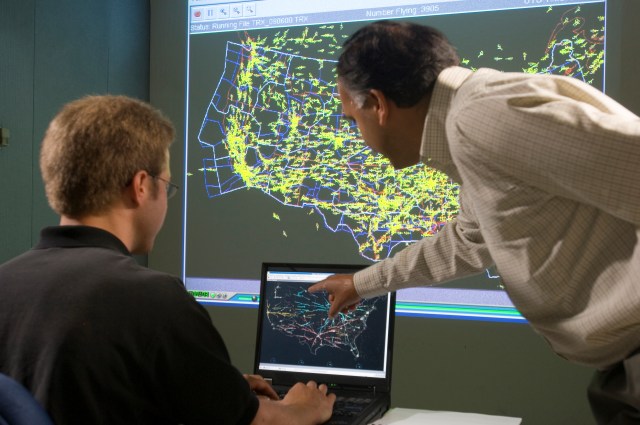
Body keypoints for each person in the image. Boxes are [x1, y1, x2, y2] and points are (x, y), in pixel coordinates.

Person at [308, 20, 640, 424]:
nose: (358, 135)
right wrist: (361, 284)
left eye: (351, 120)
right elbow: (469, 239)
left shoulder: (483, 117)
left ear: (378, 104)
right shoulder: (470, 124)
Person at [0, 95, 335, 425]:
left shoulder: (6, 281)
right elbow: (256, 422)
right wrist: (303, 407)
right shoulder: (152, 299)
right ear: (142, 186)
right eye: (167, 185)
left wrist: (221, 388)